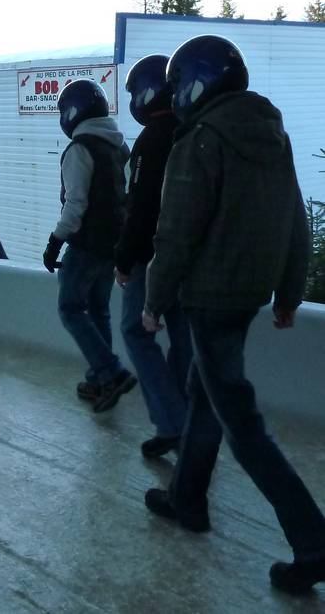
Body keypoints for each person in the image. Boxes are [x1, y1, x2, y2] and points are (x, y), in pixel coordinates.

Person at [142, 35, 325, 594]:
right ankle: (188, 498)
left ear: (195, 84)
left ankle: (314, 543)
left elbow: (175, 234)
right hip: (248, 295)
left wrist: (153, 302)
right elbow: (294, 218)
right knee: (206, 393)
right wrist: (289, 293)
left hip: (210, 296)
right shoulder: (271, 134)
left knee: (241, 424)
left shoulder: (199, 140)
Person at [43, 79, 136, 413]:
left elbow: (75, 204)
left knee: (70, 309)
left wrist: (55, 242)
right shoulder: (120, 147)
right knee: (98, 310)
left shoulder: (79, 149)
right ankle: (100, 380)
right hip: (113, 244)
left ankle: (111, 372)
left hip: (85, 245)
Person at [114, 55, 191, 458]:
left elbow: (141, 206)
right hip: (189, 259)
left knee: (135, 331)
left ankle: (171, 421)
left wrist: (124, 259)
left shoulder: (152, 139)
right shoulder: (190, 131)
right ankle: (186, 424)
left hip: (152, 258)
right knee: (183, 339)